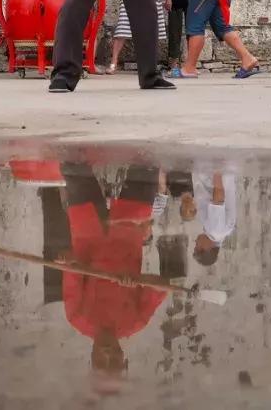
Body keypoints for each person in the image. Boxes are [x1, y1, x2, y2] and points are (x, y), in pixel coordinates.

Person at [59, 164, 168, 387]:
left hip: (88, 227)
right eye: (115, 362)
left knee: (73, 164)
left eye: (101, 363)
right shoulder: (136, 321)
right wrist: (137, 280)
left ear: (92, 360)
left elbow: (73, 268)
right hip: (129, 227)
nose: (108, 355)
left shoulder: (77, 317)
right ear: (124, 359)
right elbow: (162, 286)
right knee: (145, 165)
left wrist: (67, 260)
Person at [189, 172, 237, 266]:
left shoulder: (219, 233)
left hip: (210, 175)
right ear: (206, 248)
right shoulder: (216, 230)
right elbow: (218, 197)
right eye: (197, 246)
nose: (195, 242)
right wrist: (217, 170)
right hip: (210, 173)